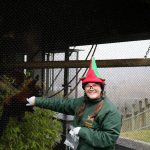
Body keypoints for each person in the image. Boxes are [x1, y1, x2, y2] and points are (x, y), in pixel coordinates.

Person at [26, 56, 122, 150]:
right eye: (88, 86)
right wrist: (36, 100)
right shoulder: (81, 102)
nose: (91, 88)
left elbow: (109, 138)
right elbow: (61, 104)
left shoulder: (110, 111)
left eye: (95, 85)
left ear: (101, 88)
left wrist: (82, 131)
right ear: (85, 89)